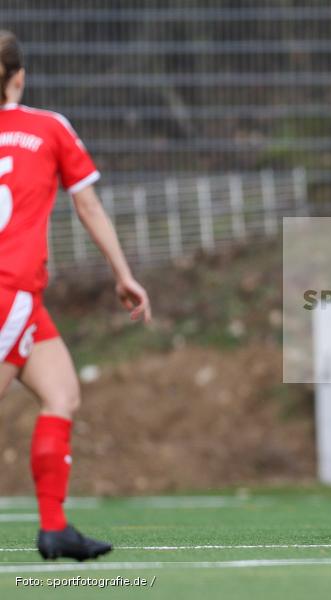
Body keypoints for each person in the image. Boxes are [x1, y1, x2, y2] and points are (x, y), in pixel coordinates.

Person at [0, 31, 151, 561]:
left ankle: (54, 527)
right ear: (19, 76)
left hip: (22, 300)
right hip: (9, 289)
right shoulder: (48, 128)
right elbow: (87, 207)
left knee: (61, 391)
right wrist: (124, 274)